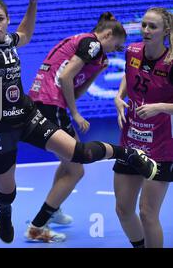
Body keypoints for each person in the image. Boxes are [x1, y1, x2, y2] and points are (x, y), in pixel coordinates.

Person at [0, 0, 157, 244]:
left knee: (79, 154)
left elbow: (25, 34)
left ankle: (128, 154)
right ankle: (4, 213)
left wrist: (33, 1)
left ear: (6, 19)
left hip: (27, 115)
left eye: (0, 19)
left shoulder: (9, 40)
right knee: (7, 193)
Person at [25, 12, 126, 236]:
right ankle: (38, 226)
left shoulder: (83, 43)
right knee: (77, 169)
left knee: (68, 162)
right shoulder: (93, 44)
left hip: (44, 102)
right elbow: (65, 78)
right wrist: (75, 114)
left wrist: (96, 71)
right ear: (108, 34)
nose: (114, 51)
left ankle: (53, 210)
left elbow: (74, 88)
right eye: (116, 46)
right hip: (51, 105)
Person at [113, 7, 173, 248]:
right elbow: (129, 75)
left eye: (153, 27)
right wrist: (119, 97)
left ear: (166, 31)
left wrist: (160, 107)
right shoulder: (132, 51)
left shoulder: (171, 63)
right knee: (123, 209)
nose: (146, 31)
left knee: (148, 214)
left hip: (160, 148)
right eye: (144, 25)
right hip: (130, 141)